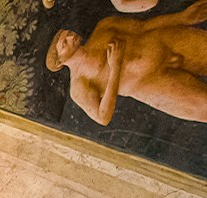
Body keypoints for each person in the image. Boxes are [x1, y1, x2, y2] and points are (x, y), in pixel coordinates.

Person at [45, 3, 207, 126]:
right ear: (60, 61)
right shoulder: (78, 86)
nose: (71, 37)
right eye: (65, 42)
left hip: (167, 42)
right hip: (154, 85)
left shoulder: (103, 26)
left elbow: (142, 27)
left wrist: (182, 17)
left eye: (68, 33)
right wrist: (115, 67)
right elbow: (103, 117)